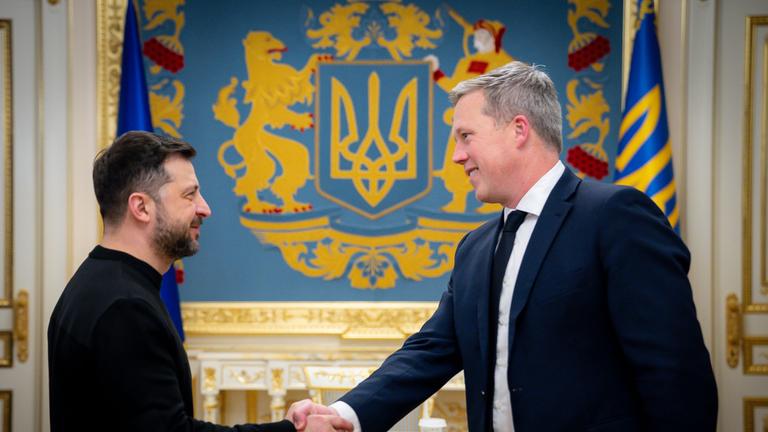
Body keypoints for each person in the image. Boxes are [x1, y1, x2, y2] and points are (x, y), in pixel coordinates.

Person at [288, 62, 718, 432]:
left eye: (465, 136)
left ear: (518, 130)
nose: (456, 156)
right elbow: (432, 350)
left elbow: (675, 375)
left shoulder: (615, 216)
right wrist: (345, 414)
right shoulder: (476, 248)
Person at [48, 131, 353, 432]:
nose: (205, 208)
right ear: (141, 207)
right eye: (189, 195)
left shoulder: (95, 281)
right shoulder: (125, 309)